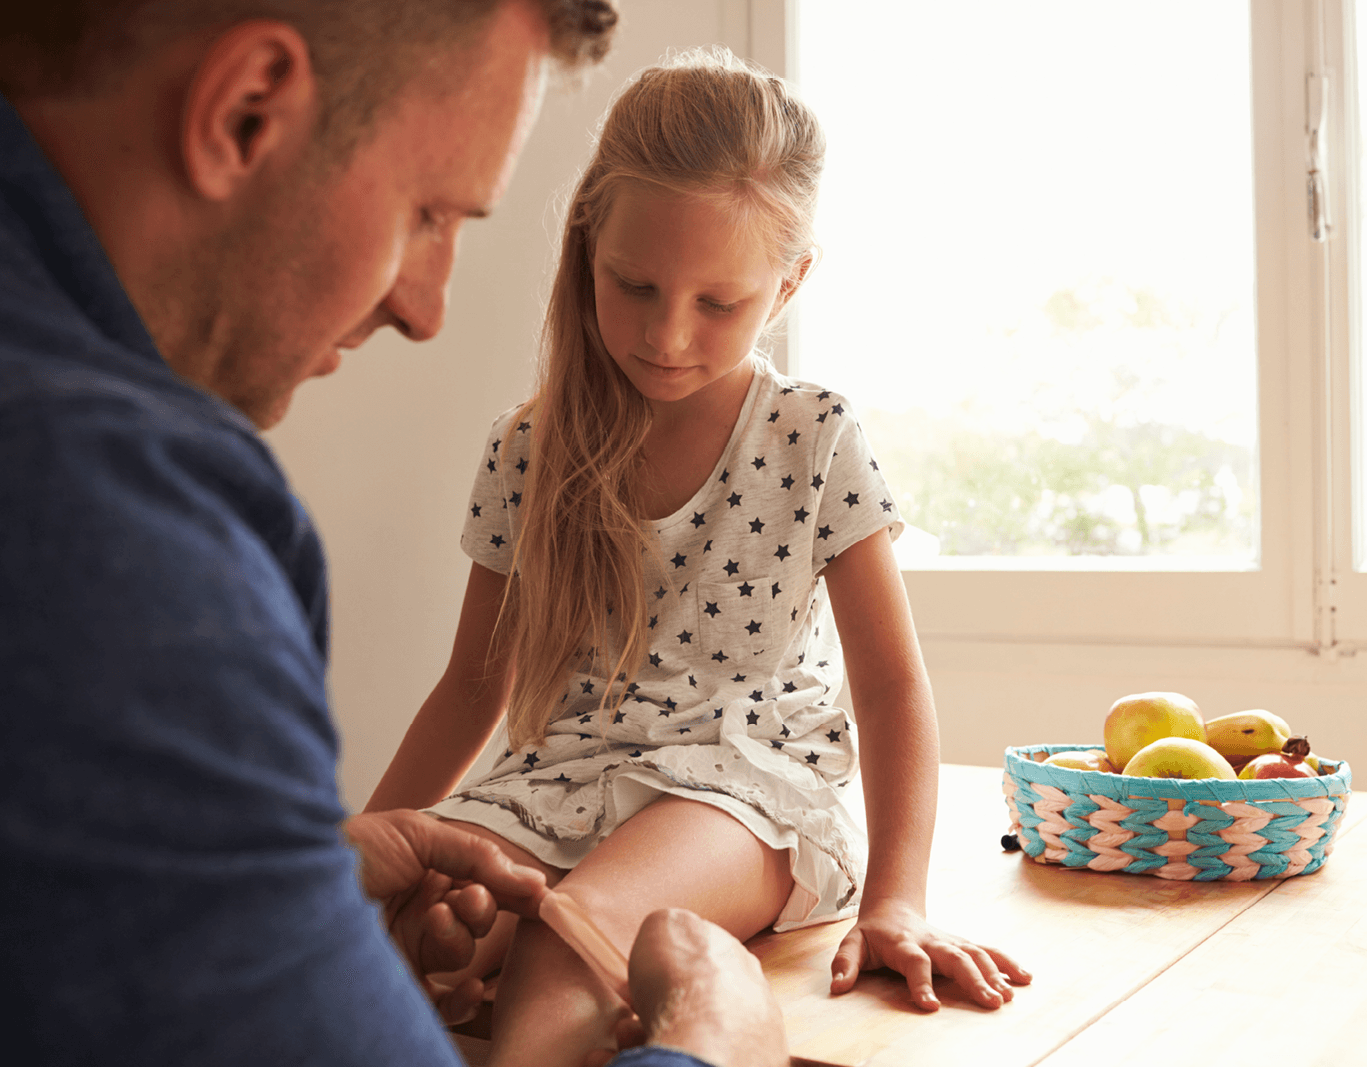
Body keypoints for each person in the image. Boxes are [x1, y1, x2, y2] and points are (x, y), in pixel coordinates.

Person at [0, 2, 790, 1065]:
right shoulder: (105, 514)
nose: (426, 308)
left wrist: (293, 871)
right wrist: (707, 1045)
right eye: (429, 213)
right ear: (244, 114)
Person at [366, 49, 1033, 1067]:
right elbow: (471, 684)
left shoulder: (813, 433)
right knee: (403, 936)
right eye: (632, 285)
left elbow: (891, 683)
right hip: (554, 781)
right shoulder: (525, 447)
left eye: (717, 304)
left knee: (568, 929)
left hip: (743, 788)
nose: (667, 334)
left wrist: (898, 896)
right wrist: (343, 874)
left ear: (788, 284)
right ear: (587, 242)